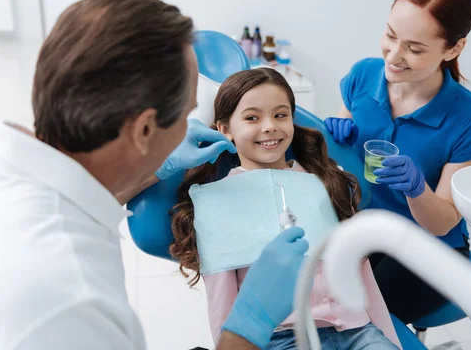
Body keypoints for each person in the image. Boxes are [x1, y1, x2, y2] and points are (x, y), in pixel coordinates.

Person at [0, 0, 308, 350]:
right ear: (145, 130)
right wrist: (250, 322)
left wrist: (159, 168)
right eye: (186, 116)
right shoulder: (70, 300)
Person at [169, 68, 401, 349]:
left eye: (280, 115)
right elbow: (223, 303)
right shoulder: (217, 202)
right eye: (252, 117)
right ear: (225, 129)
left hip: (357, 331)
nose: (269, 126)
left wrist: (387, 340)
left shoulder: (326, 183)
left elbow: (362, 275)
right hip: (280, 338)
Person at [325, 0, 471, 324]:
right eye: (390, 35)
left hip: (430, 250)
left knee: (352, 320)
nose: (394, 55)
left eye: (415, 48)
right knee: (306, 292)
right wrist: (331, 143)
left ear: (453, 48)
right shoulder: (362, 76)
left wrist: (417, 189)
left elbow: (444, 222)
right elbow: (338, 169)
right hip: (364, 226)